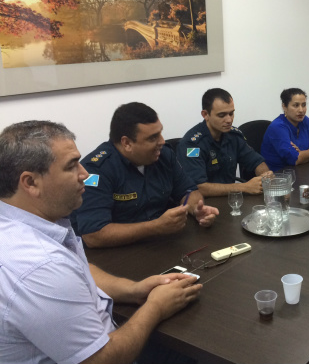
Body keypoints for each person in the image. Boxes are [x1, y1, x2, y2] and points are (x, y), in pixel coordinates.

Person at [0, 121, 202, 364]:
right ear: (31, 183)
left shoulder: (29, 222)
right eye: (71, 165)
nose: (84, 173)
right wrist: (156, 307)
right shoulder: (39, 266)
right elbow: (102, 360)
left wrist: (134, 289)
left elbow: (79, 270)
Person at [71, 102, 219, 248]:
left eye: (160, 133)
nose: (162, 141)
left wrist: (194, 208)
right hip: (114, 256)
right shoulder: (96, 170)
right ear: (127, 143)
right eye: (152, 138)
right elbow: (94, 235)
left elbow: (188, 191)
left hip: (162, 245)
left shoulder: (164, 156)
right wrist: (155, 226)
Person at [177, 88, 271, 197]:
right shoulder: (192, 145)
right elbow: (199, 187)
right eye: (222, 115)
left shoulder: (234, 136)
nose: (229, 120)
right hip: (205, 205)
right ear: (205, 114)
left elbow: (256, 162)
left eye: (231, 114)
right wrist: (244, 187)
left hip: (232, 200)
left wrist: (265, 176)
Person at [261, 88, 309, 171]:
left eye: (304, 105)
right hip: (279, 176)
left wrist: (302, 154)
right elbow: (294, 159)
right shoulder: (277, 127)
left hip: (301, 170)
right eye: (296, 105)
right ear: (284, 107)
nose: (301, 110)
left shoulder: (304, 120)